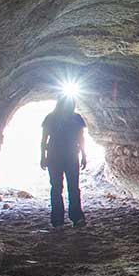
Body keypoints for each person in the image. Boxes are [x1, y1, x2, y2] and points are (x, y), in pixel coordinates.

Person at [40, 96, 88, 231]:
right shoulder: (75, 118)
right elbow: (44, 139)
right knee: (69, 188)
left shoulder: (51, 117)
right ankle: (74, 218)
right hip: (67, 156)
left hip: (59, 156)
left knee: (59, 188)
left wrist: (84, 155)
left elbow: (44, 140)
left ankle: (60, 221)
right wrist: (83, 155)